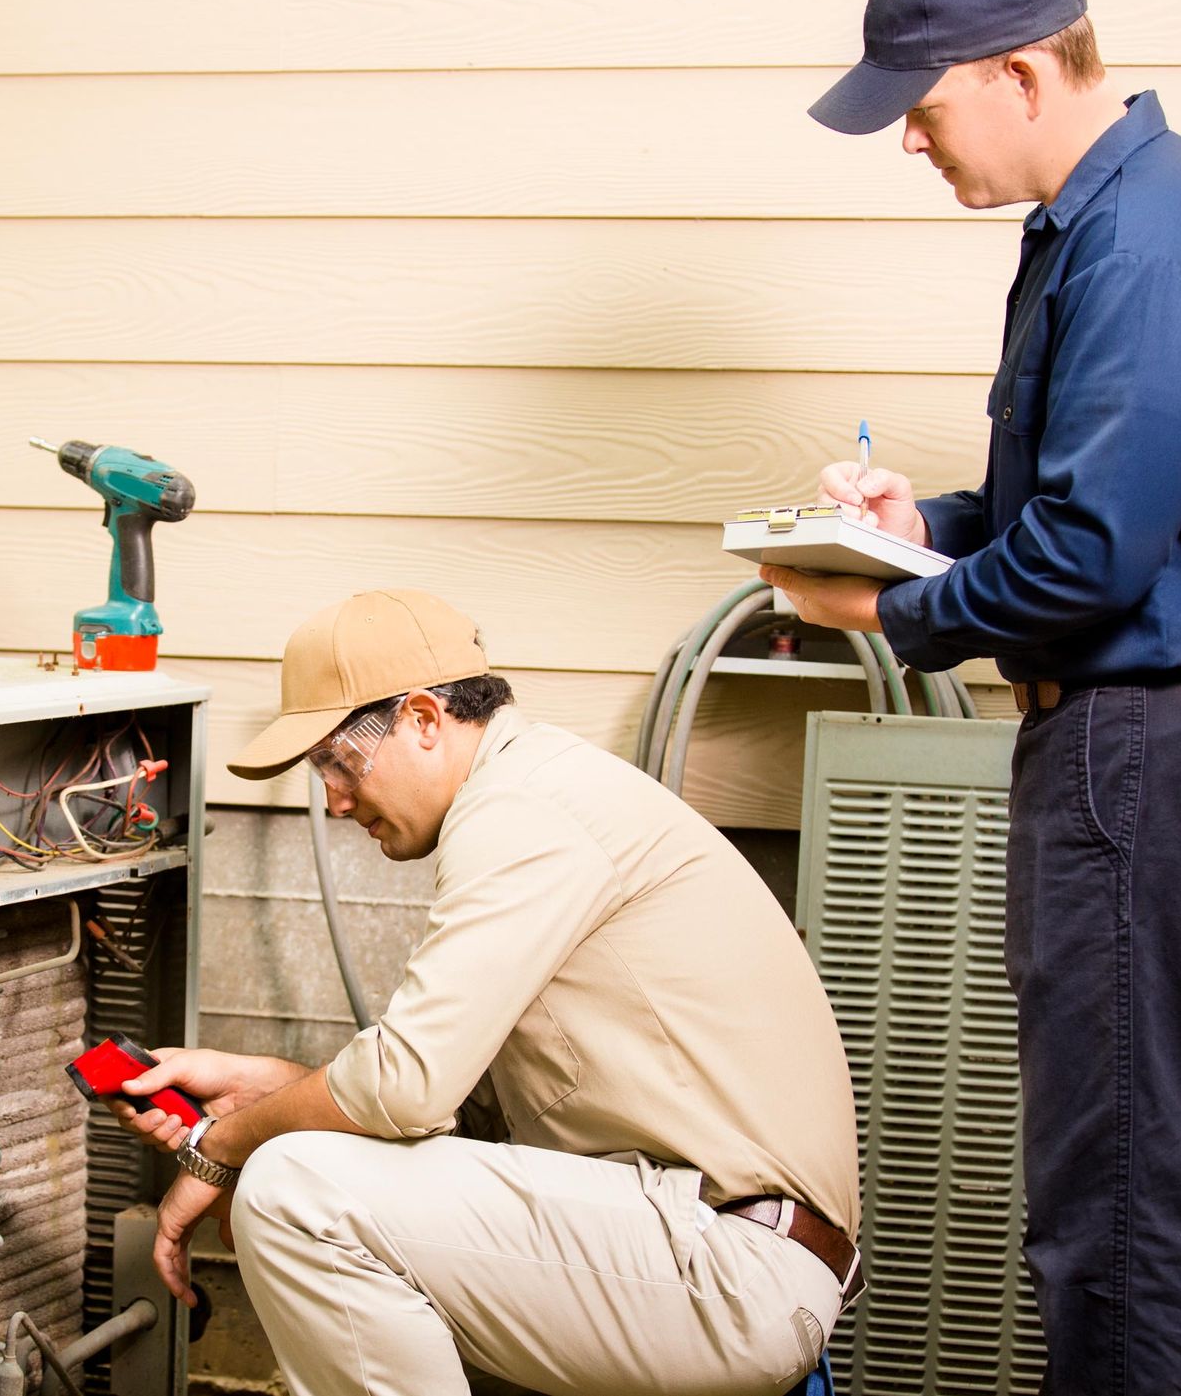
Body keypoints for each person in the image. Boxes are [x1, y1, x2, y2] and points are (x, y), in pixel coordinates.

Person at [769, 0, 1181, 1394]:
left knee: (1125, 1204)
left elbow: (1093, 558)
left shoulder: (1140, 241)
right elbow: (1090, 505)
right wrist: (922, 529)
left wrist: (881, 613)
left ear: (1022, 73)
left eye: (923, 104)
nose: (910, 138)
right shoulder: (1116, 219)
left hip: (1155, 746)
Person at [109, 587, 862, 1396]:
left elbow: (404, 1086)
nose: (334, 798)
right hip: (695, 1244)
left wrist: (229, 1143)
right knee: (307, 1174)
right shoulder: (535, 791)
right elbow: (440, 1116)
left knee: (296, 1192)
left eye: (338, 761)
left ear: (424, 719)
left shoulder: (524, 810)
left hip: (730, 1262)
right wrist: (273, 1089)